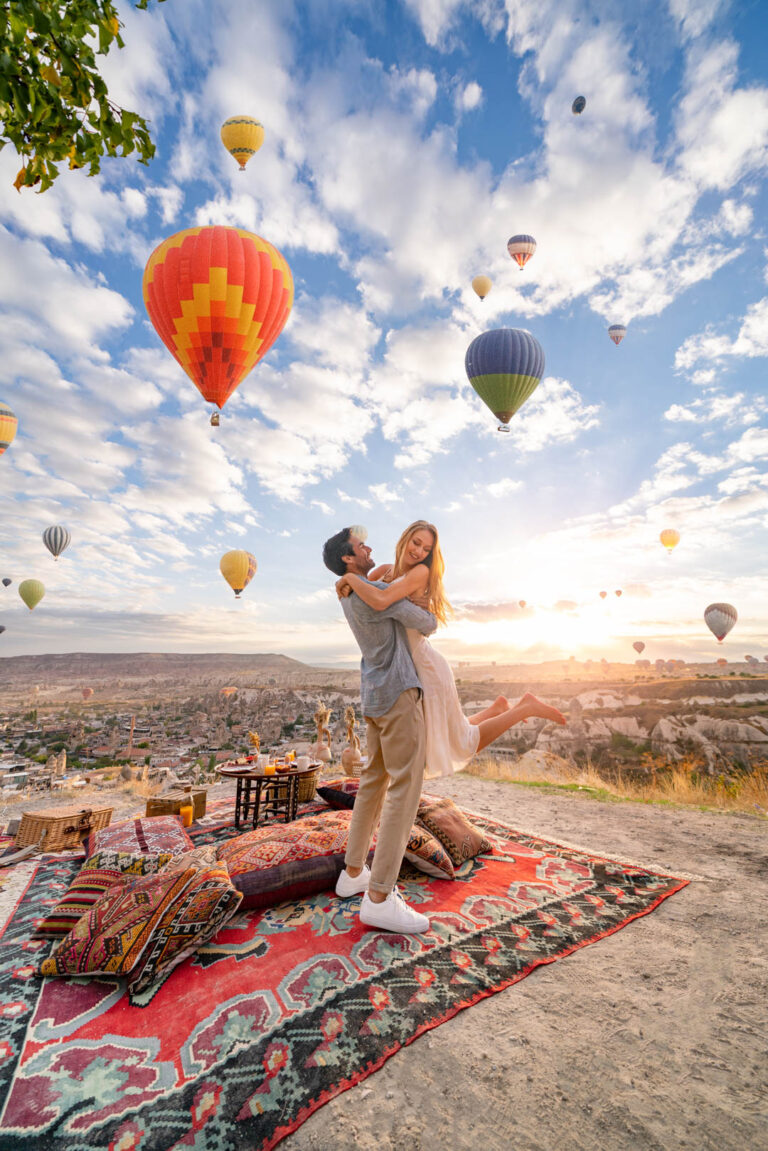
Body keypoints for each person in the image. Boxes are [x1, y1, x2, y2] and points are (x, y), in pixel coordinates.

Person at [335, 520, 566, 779]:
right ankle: (497, 708)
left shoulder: (420, 573)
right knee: (447, 733)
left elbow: (382, 600)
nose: (419, 551)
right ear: (404, 539)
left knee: (460, 742)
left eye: (426, 548)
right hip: (402, 668)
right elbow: (364, 602)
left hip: (424, 666)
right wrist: (350, 582)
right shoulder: (383, 572)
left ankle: (525, 707)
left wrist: (348, 578)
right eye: (416, 542)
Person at [322, 525, 436, 935]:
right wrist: (406, 597)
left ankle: (354, 872)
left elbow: (385, 586)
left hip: (372, 696)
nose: (369, 547)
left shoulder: (355, 591)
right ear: (348, 559)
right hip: (398, 692)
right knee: (406, 786)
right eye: (360, 546)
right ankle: (381, 896)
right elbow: (426, 621)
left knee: (373, 783)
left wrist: (365, 578)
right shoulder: (370, 594)